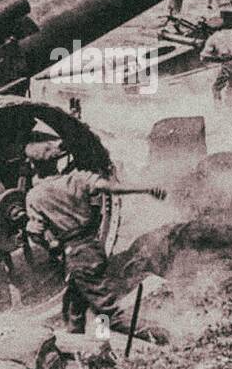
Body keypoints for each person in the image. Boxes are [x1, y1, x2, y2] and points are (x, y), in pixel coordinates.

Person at [23, 140, 168, 343]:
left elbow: (35, 232)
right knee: (74, 308)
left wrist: (50, 243)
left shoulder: (35, 196)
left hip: (76, 257)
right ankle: (87, 349)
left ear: (32, 166)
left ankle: (164, 335)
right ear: (57, 161)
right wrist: (146, 188)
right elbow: (111, 187)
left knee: (109, 314)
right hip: (93, 249)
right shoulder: (78, 180)